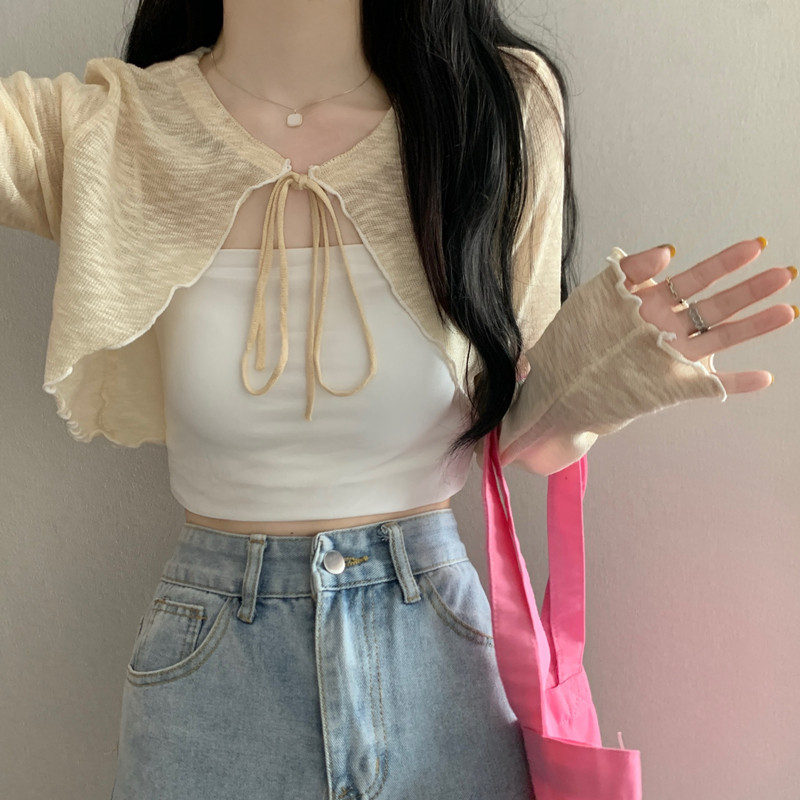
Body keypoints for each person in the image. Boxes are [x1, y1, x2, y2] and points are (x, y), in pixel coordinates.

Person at [1, 1, 795, 798]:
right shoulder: (109, 128)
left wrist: (597, 386)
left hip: (438, 666)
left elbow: (530, 440)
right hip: (213, 676)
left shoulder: (494, 105)